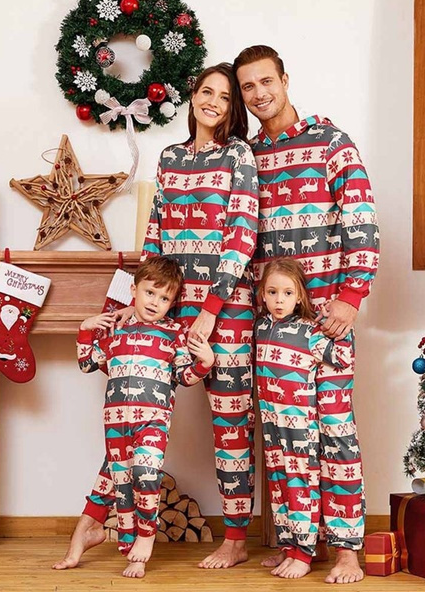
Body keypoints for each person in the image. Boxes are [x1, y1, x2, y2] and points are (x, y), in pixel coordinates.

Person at [234, 45, 379, 584]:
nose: (259, 94)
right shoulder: (245, 156)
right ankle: (299, 543)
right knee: (284, 440)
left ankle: (346, 551)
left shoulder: (331, 143)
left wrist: (351, 296)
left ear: (285, 79)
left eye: (266, 81)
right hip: (272, 327)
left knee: (335, 435)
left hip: (328, 321)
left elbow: (361, 223)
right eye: (247, 87)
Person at [140, 62, 259, 569]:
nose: (213, 101)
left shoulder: (238, 155)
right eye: (206, 91)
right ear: (192, 95)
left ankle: (234, 538)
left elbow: (241, 238)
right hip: (168, 309)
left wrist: (210, 310)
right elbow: (155, 230)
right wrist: (134, 301)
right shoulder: (168, 156)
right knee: (139, 407)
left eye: (225, 97)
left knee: (229, 426)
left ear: (233, 109)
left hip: (224, 312)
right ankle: (119, 524)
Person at [52, 256, 214, 578]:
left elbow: (184, 376)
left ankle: (145, 537)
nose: (156, 302)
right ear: (134, 290)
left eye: (165, 298)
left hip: (152, 422)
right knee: (121, 480)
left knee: (145, 471)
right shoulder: (116, 333)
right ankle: (110, 539)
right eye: (150, 293)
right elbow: (88, 364)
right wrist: (85, 330)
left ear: (173, 302)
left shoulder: (174, 335)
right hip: (115, 424)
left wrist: (205, 363)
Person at [255, 258, 354, 579]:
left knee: (300, 486)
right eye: (272, 292)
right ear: (263, 295)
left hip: (301, 428)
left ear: (299, 297)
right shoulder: (260, 327)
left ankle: (304, 553)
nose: (279, 300)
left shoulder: (309, 331)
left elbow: (340, 357)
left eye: (287, 293)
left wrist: (340, 329)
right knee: (280, 486)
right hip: (272, 426)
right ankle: (289, 547)